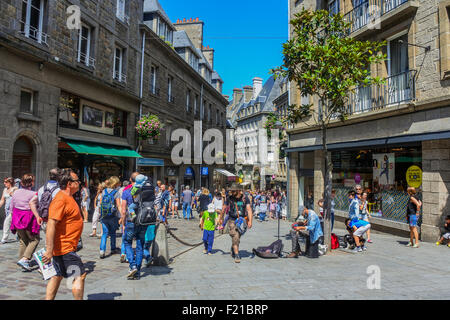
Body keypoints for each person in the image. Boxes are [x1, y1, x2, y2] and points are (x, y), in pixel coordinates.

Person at [42, 169, 86, 300]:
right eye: (77, 181)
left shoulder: (68, 197)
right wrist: (49, 250)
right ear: (69, 183)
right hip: (65, 248)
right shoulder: (61, 199)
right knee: (79, 275)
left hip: (65, 247)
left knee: (57, 275)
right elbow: (51, 224)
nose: (79, 183)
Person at [121, 172, 153, 280]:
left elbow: (123, 209)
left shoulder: (127, 191)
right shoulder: (148, 188)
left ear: (131, 179)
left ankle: (132, 265)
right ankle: (138, 272)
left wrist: (123, 222)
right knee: (140, 245)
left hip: (131, 221)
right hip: (143, 221)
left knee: (127, 242)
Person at [10, 173, 43, 271]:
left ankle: (22, 260)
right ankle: (25, 259)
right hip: (29, 219)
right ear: (31, 183)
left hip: (17, 217)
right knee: (34, 239)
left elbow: (12, 206)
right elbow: (37, 207)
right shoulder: (34, 194)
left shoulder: (15, 192)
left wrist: (13, 218)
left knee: (23, 240)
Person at [225, 190, 253, 263]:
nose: (232, 192)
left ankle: (233, 247)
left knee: (237, 237)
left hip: (241, 221)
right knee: (235, 236)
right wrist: (221, 219)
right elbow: (224, 208)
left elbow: (249, 209)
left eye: (234, 191)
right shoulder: (229, 198)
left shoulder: (245, 198)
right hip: (232, 220)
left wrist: (250, 221)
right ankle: (237, 254)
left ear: (238, 191)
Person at [99, 176, 121, 259]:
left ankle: (102, 250)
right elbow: (118, 205)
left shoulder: (104, 191)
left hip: (104, 215)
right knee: (112, 233)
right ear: (115, 184)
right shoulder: (116, 192)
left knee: (104, 234)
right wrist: (122, 215)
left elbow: (100, 203)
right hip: (112, 215)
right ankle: (113, 248)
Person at [0, 177, 18, 244]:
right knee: (15, 223)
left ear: (10, 182)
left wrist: (12, 194)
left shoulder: (15, 189)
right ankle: (20, 235)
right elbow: (2, 200)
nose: (4, 183)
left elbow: (17, 198)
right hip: (6, 209)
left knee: (6, 223)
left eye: (6, 182)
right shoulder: (5, 189)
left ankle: (4, 239)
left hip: (13, 210)